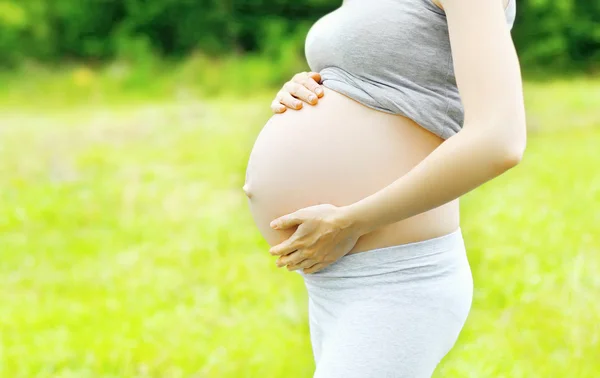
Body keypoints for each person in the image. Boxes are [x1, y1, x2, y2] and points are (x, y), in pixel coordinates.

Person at [243, 0, 526, 376]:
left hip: (396, 279)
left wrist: (352, 222)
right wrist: (311, 85)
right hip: (337, 278)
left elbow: (499, 139)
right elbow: (385, 79)